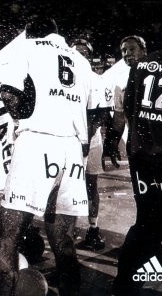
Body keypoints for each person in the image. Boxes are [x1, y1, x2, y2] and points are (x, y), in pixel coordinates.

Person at [0, 16, 95, 296]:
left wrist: (19, 117)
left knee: (9, 240)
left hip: (36, 142)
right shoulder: (81, 60)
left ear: (28, 34)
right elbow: (95, 108)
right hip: (71, 148)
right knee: (64, 242)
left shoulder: (26, 49)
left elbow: (8, 94)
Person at [112, 11, 162, 296]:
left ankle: (122, 287)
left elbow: (130, 112)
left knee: (146, 226)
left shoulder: (142, 65)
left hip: (144, 160)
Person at [71, 38, 110, 251]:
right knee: (64, 186)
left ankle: (93, 228)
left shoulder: (97, 79)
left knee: (90, 184)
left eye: (83, 53)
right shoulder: (62, 77)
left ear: (89, 56)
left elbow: (102, 113)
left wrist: (85, 138)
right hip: (68, 138)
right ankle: (65, 229)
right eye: (75, 52)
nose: (79, 55)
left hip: (90, 139)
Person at [102, 35, 147, 169]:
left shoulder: (157, 72)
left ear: (144, 50)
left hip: (160, 139)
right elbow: (119, 117)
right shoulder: (119, 79)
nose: (127, 53)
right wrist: (113, 142)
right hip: (136, 142)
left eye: (132, 49)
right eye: (124, 50)